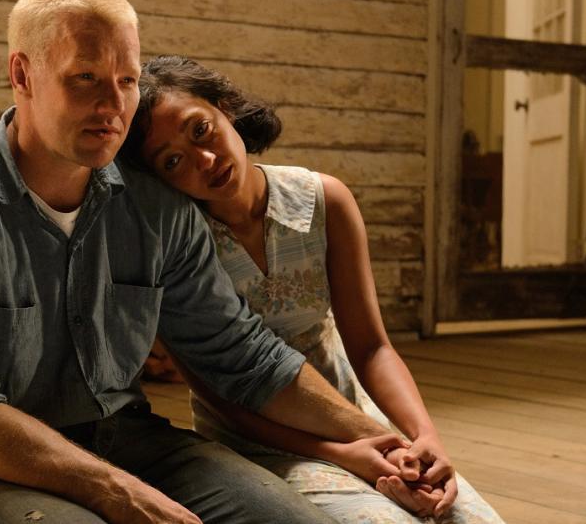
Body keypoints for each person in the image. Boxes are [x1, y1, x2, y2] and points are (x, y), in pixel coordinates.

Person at [0, 0, 415, 524]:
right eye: (85, 77)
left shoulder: (157, 207)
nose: (114, 106)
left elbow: (242, 357)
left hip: (131, 441)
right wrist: (118, 492)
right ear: (22, 75)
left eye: (127, 81)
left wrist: (386, 442)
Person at [122, 55, 505, 523]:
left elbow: (372, 347)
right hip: (259, 444)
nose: (204, 160)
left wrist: (424, 437)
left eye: (201, 130)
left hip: (355, 415)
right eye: (173, 161)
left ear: (224, 108)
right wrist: (342, 454)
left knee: (467, 518)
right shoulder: (175, 244)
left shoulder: (322, 200)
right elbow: (222, 398)